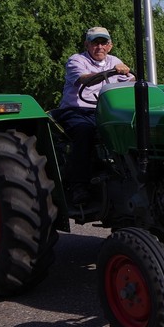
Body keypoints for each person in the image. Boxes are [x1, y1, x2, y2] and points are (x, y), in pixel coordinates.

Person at [56, 26, 134, 204]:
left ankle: (128, 176)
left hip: (104, 111)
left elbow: (130, 81)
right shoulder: (76, 60)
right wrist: (111, 72)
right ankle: (78, 185)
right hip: (76, 111)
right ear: (87, 45)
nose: (99, 47)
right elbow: (85, 79)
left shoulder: (114, 61)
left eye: (103, 43)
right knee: (84, 131)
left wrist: (131, 77)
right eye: (95, 43)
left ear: (110, 46)